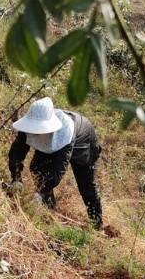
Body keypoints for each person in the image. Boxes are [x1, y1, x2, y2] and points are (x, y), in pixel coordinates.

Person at [8, 97, 104, 228]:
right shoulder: (29, 126)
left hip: (83, 140)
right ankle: (49, 209)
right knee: (37, 168)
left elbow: (58, 170)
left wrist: (40, 192)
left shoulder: (65, 131)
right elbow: (17, 152)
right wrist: (16, 178)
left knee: (86, 184)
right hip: (53, 140)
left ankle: (97, 225)